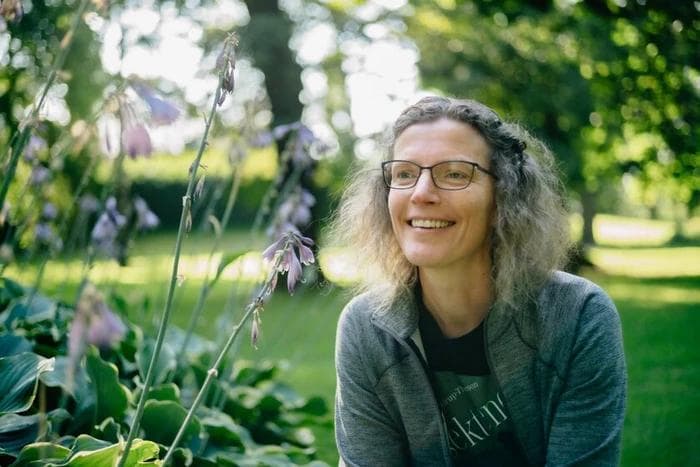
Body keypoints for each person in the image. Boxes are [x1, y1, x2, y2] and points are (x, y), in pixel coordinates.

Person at [328, 96, 626, 466]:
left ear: (504, 195)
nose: (421, 193)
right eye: (404, 174)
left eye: (454, 173)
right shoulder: (366, 328)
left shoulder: (577, 316)